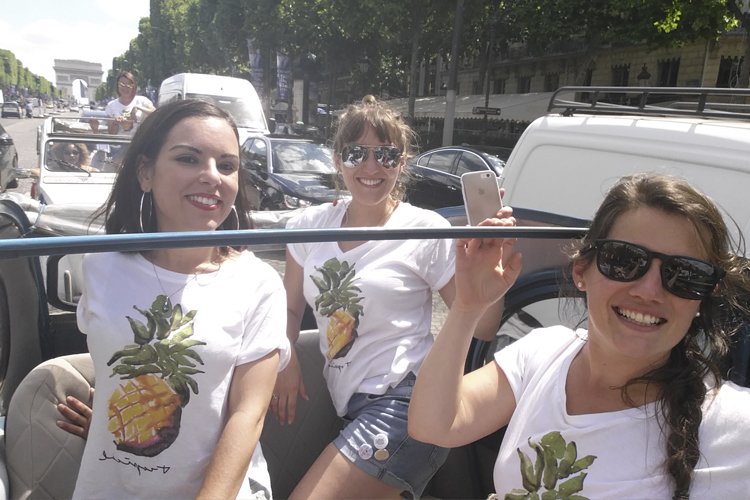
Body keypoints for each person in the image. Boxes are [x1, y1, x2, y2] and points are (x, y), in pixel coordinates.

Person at [409, 173, 750, 498]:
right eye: (625, 259)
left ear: (703, 297)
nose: (649, 290)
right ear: (581, 270)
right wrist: (468, 306)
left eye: (686, 274)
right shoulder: (544, 352)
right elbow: (434, 425)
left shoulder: (733, 424)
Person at [274, 95, 503, 499]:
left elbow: (483, 324)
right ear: (337, 159)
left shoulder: (424, 229)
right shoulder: (310, 226)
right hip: (350, 406)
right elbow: (290, 307)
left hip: (406, 406)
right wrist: (286, 358)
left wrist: (489, 273)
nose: (370, 166)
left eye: (386, 155)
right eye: (356, 153)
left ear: (403, 161)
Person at [66, 99, 290, 499]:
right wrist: (111, 414)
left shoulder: (258, 283)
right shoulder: (100, 265)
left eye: (226, 166)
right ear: (145, 173)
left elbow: (248, 414)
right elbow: (110, 360)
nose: (212, 177)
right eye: (189, 159)